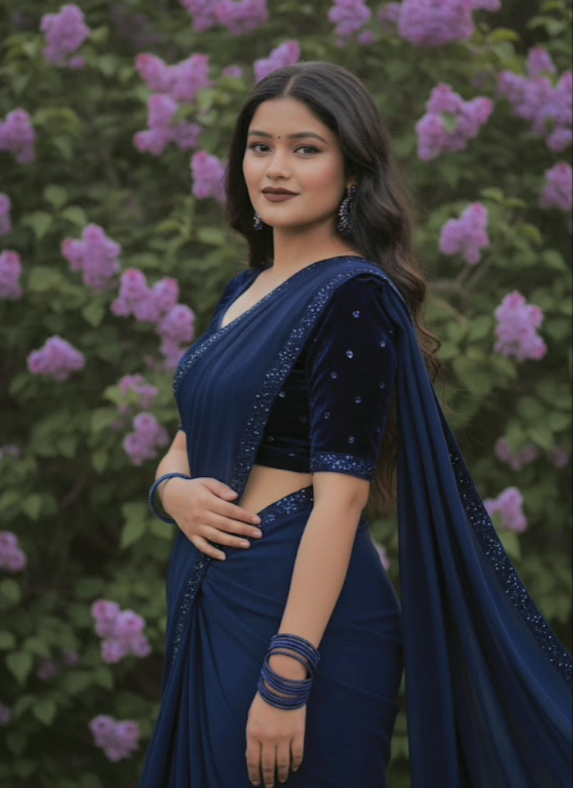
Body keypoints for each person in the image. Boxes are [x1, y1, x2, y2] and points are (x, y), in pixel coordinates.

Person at [138, 62, 572, 788]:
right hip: (216, 596)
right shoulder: (245, 290)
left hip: (301, 620)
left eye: (305, 149)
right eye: (259, 146)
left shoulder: (351, 298)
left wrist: (287, 674)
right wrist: (171, 495)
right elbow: (184, 443)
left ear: (352, 171)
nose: (275, 168)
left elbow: (340, 500)